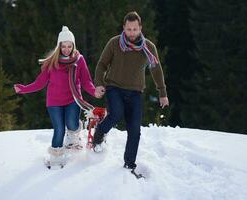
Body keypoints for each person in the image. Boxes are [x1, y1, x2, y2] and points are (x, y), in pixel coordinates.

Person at [14, 26, 104, 163]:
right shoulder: (52, 62)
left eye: (69, 46)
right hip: (54, 102)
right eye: (63, 46)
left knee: (71, 123)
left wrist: (94, 92)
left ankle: (73, 135)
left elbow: (86, 81)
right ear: (59, 46)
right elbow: (40, 83)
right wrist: (23, 89)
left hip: (73, 99)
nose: (66, 49)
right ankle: (55, 155)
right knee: (59, 129)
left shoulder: (79, 60)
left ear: (73, 45)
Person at [93, 11, 169, 170]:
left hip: (135, 92)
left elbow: (156, 70)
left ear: (140, 28)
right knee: (116, 114)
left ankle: (129, 164)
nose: (132, 33)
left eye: (135, 29)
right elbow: (102, 64)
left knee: (134, 130)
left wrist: (162, 93)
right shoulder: (114, 43)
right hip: (114, 87)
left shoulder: (148, 47)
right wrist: (99, 83)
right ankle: (100, 132)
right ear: (124, 28)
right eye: (129, 29)